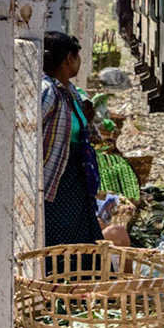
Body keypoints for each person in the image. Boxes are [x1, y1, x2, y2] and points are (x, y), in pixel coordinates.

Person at [41, 32, 103, 246]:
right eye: (77, 56)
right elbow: (29, 128)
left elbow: (83, 126)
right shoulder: (48, 91)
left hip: (75, 181)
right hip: (58, 182)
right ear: (69, 58)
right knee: (59, 241)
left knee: (83, 240)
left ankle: (79, 279)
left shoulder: (69, 90)